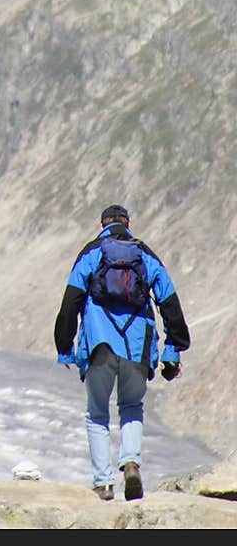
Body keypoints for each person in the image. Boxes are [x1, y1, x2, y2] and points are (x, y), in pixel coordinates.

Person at [53, 203, 190, 501]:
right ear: (129, 223)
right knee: (131, 407)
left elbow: (70, 303)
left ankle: (103, 483)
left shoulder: (91, 252)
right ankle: (131, 463)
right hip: (138, 345)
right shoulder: (145, 254)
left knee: (97, 414)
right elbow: (169, 302)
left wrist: (65, 346)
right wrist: (173, 348)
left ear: (101, 224)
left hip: (99, 345)